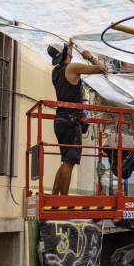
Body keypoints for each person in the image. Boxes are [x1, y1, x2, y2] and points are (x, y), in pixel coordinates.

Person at [47, 41, 105, 195]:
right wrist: (90, 57)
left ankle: (54, 197)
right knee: (69, 161)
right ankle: (63, 200)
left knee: (65, 160)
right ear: (67, 54)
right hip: (71, 121)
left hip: (60, 119)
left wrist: (70, 45)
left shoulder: (56, 71)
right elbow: (101, 69)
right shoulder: (72, 68)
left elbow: (66, 58)